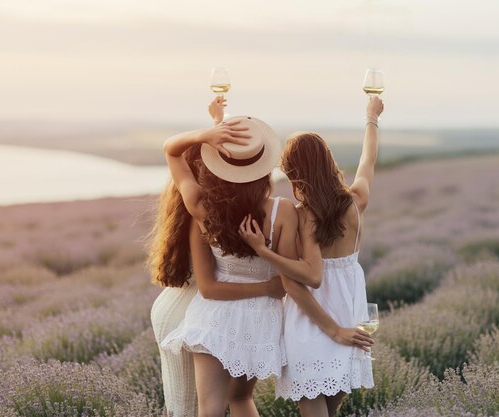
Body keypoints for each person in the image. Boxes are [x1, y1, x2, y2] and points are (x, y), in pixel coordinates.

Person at [239, 97, 384, 417]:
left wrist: (263, 251)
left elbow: (298, 284)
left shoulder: (304, 216)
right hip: (351, 314)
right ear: (329, 162)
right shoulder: (356, 201)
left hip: (313, 321)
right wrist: (371, 118)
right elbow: (368, 160)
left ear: (293, 173)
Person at [160, 104, 300, 417]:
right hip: (259, 319)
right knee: (241, 400)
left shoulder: (201, 209)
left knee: (209, 409)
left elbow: (171, 151)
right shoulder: (282, 212)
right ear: (264, 168)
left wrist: (206, 133)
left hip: (213, 319)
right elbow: (285, 279)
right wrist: (267, 285)